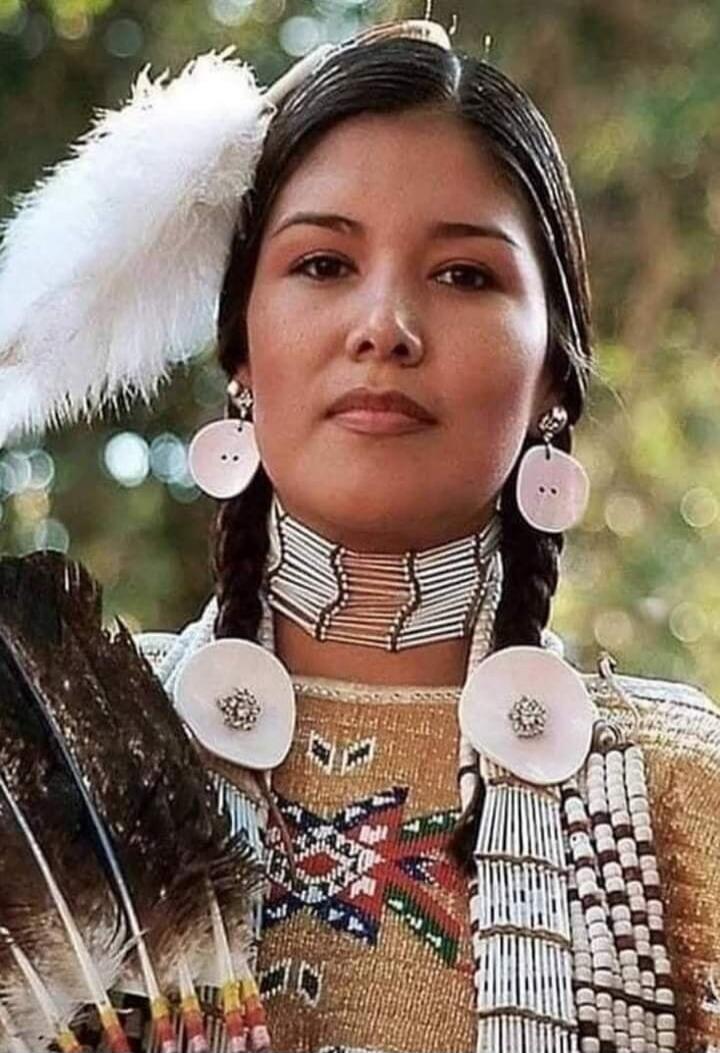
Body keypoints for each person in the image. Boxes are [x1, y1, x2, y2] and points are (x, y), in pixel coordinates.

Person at [0, 17, 719, 1053]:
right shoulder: (49, 786)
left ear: (554, 376)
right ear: (238, 350)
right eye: (325, 263)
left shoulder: (682, 802)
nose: (385, 325)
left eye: (466, 275)